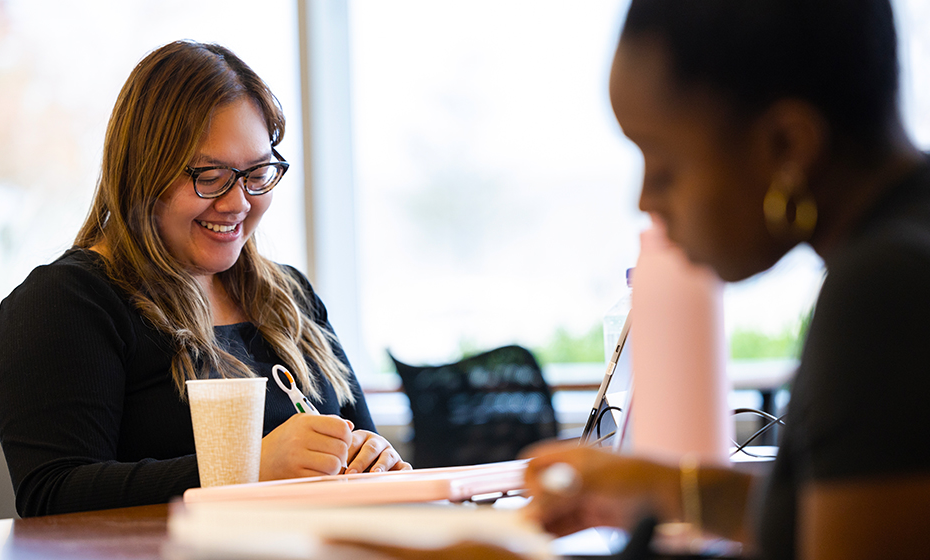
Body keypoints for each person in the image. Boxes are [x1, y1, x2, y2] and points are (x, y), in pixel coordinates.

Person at [340, 0, 930, 559]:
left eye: (665, 165)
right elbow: (830, 520)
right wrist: (660, 489)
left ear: (787, 145)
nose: (645, 198)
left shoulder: (885, 291)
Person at [0, 40, 410, 518]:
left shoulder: (289, 297)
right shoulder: (68, 302)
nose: (238, 203)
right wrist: (250, 467)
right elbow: (53, 496)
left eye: (257, 172)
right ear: (143, 172)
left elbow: (357, 449)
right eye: (210, 175)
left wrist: (374, 461)